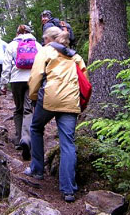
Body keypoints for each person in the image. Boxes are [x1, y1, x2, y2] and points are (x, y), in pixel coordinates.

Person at [25, 26, 88, 203]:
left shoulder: (46, 51)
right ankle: (68, 190)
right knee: (68, 143)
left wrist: (34, 96)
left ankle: (37, 169)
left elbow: (36, 76)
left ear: (50, 39)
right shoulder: (76, 56)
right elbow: (85, 80)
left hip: (50, 98)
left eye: (45, 39)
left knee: (36, 127)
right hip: (70, 101)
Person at [0, 25, 42, 160]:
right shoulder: (37, 45)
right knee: (28, 110)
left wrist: (3, 83)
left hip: (16, 80)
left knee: (18, 110)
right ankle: (26, 137)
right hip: (32, 79)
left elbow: (6, 65)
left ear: (17, 33)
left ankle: (18, 140)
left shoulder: (12, 45)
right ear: (30, 32)